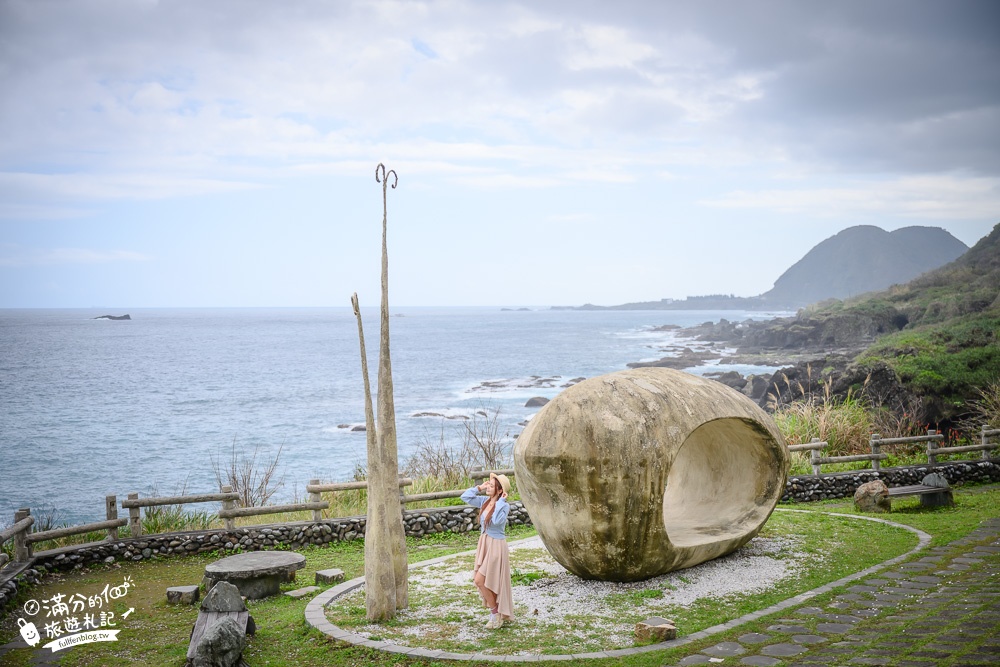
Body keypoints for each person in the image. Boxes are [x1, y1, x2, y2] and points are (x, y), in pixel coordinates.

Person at [460, 472, 514, 629]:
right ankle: (496, 614)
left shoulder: (504, 505)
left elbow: (497, 521)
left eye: (491, 485)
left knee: (480, 580)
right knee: (483, 581)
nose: (488, 487)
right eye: (488, 484)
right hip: (484, 543)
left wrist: (500, 502)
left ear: (499, 490)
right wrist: (479, 487)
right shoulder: (484, 501)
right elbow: (465, 497)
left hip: (496, 545)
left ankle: (496, 614)